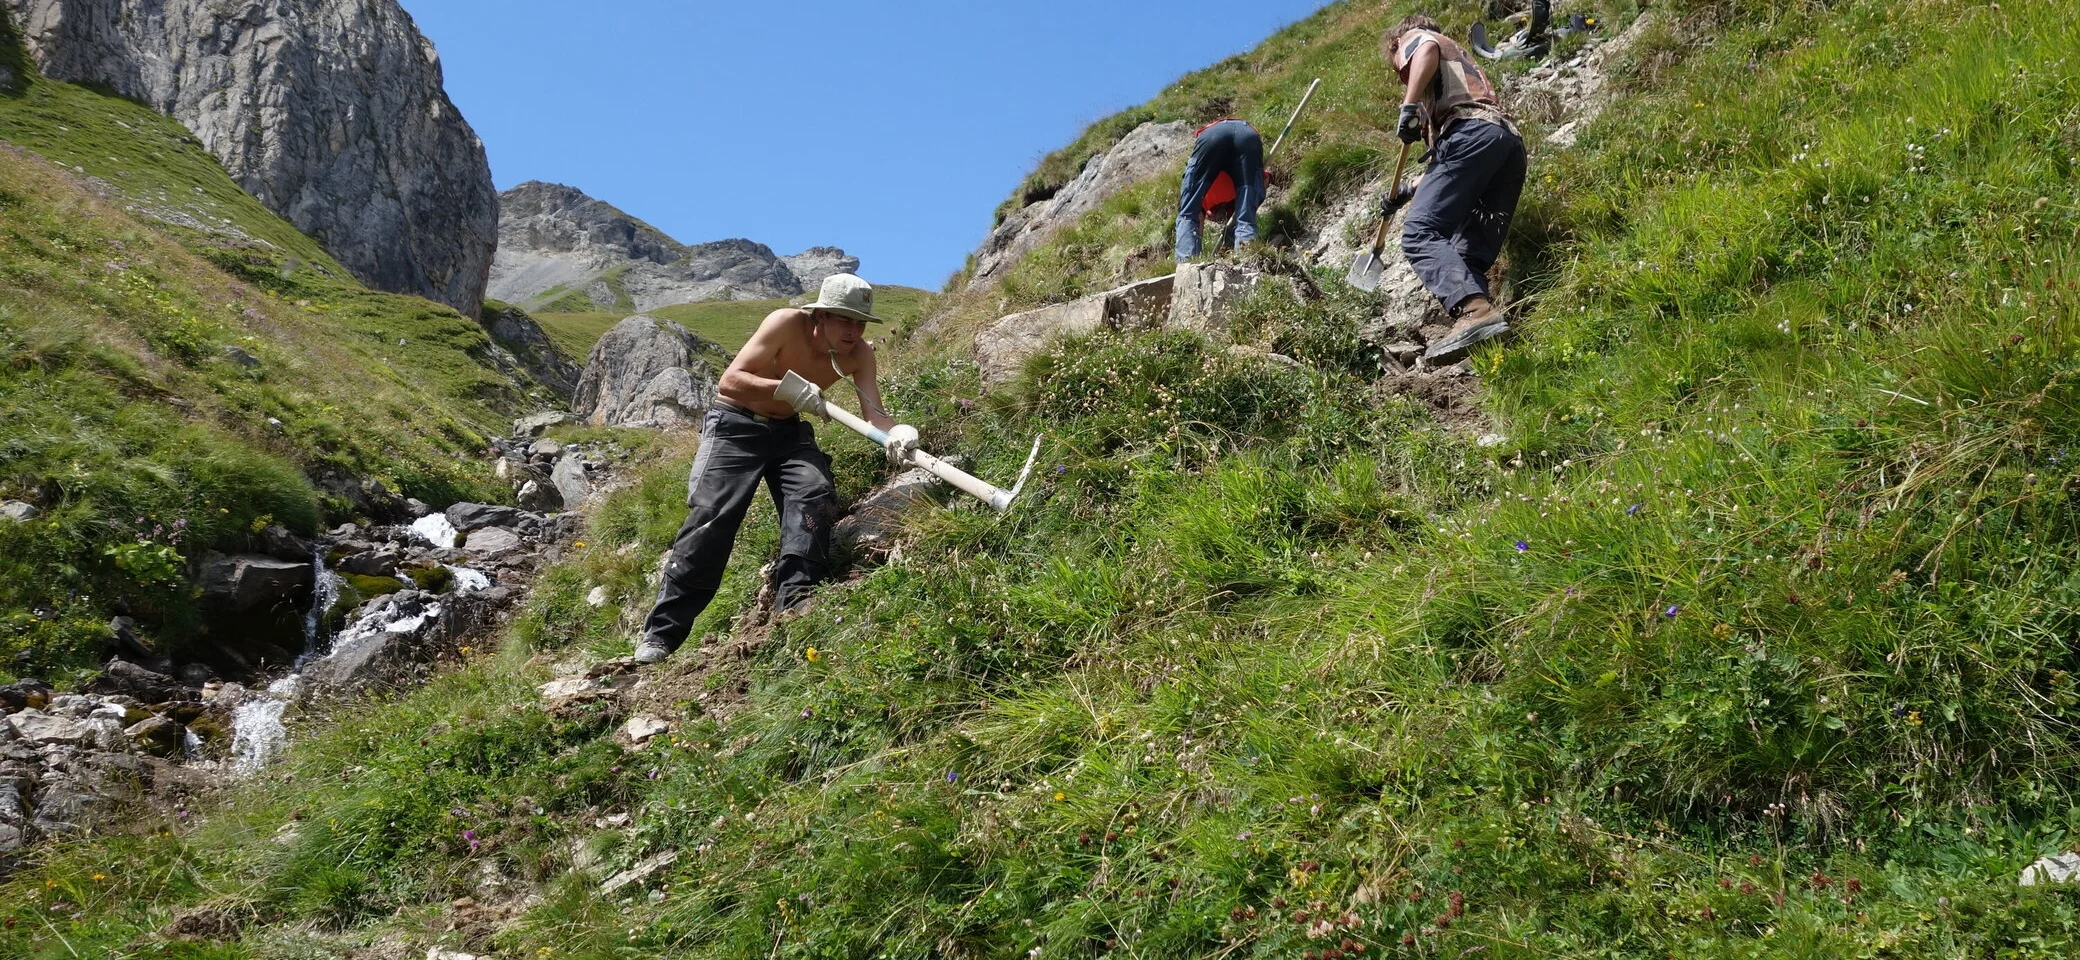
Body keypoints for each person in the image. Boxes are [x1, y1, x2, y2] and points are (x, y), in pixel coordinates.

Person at [631, 274, 916, 665]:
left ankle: (795, 605)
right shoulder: (784, 323)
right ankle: (661, 635)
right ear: (820, 316)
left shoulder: (860, 354)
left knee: (813, 492)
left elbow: (875, 415)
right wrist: (786, 387)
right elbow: (730, 381)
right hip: (734, 425)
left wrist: (897, 433)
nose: (854, 331)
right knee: (713, 515)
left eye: (860, 322)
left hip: (789, 432)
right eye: (845, 320)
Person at [1383, 13, 1528, 359]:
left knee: (1420, 232)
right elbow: (1454, 168)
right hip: (1503, 143)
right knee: (1467, 255)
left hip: (1469, 134)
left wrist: (1408, 106)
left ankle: (1475, 313)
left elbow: (1425, 47)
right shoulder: (1458, 66)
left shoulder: (1417, 39)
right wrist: (1407, 190)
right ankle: (1485, 333)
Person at [1175, 118, 1267, 259]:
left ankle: (1186, 264)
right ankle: (1246, 259)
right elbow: (1264, 180)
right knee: (1245, 218)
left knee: (1187, 214)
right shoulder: (1234, 199)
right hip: (1247, 133)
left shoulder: (1204, 202)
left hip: (1213, 135)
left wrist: (1196, 254)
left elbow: (1195, 220)